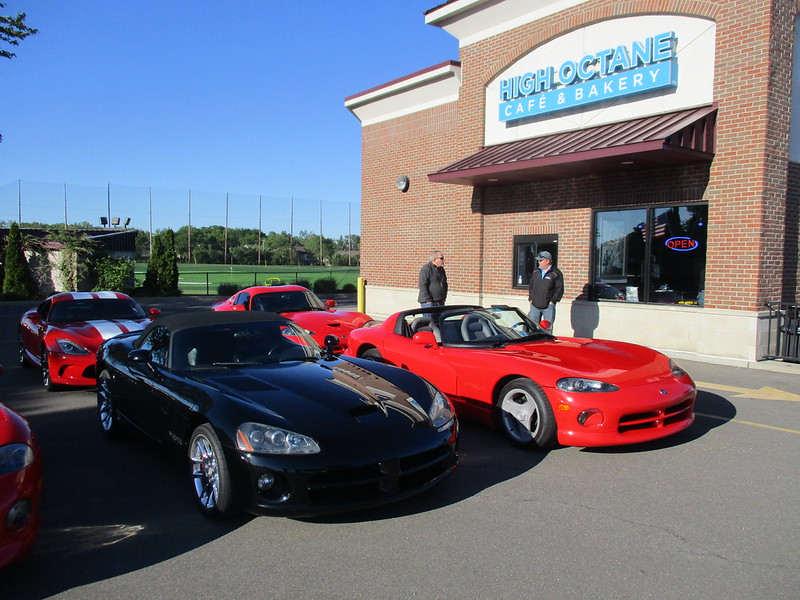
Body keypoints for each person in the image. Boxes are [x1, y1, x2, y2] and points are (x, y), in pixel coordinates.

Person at [528, 250, 563, 330]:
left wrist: (553, 301)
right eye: (538, 261)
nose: (539, 262)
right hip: (535, 305)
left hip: (548, 306)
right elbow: (531, 286)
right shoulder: (536, 271)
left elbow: (559, 289)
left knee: (547, 328)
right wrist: (530, 298)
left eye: (541, 260)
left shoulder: (556, 273)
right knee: (533, 327)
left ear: (547, 261)